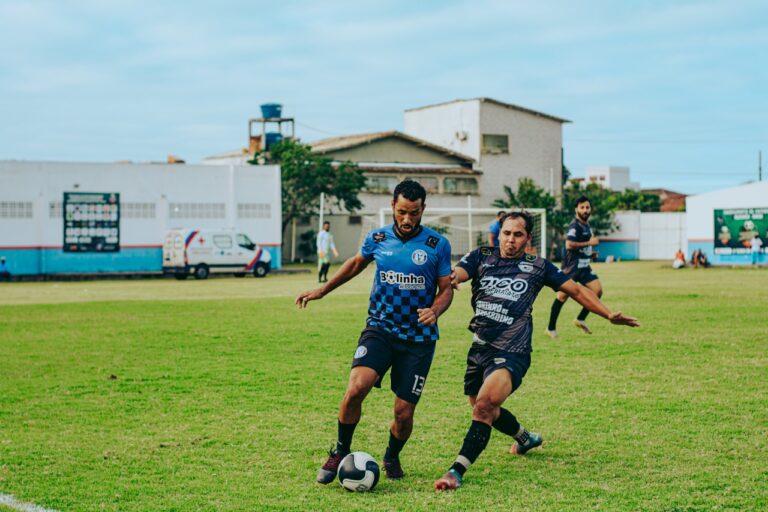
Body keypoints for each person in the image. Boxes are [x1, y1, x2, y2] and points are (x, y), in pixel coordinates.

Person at [434, 211, 639, 491]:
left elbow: (577, 291)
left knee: (483, 407)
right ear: (499, 234)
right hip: (479, 348)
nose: (510, 240)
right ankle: (524, 437)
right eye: (506, 233)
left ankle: (455, 472)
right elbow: (457, 273)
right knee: (487, 411)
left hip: (513, 350)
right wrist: (452, 277)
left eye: (518, 234)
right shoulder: (481, 256)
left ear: (528, 238)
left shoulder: (538, 266)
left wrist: (607, 315)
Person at [296, 179, 454, 484]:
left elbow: (447, 288)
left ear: (424, 210)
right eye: (403, 212)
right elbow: (356, 264)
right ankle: (340, 451)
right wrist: (322, 290)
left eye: (415, 213)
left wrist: (435, 309)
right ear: (393, 206)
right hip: (380, 329)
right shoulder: (378, 237)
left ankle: (392, 456)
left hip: (418, 340)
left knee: (404, 413)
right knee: (356, 389)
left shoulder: (437, 244)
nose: (408, 220)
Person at [545, 196, 602, 338]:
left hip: (584, 266)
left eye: (587, 207)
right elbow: (569, 245)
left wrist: (590, 254)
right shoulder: (574, 226)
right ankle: (550, 328)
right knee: (562, 297)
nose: (585, 210)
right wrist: (589, 244)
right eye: (582, 207)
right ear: (576, 209)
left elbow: (580, 247)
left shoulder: (586, 225)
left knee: (597, 291)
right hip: (572, 268)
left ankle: (580, 319)